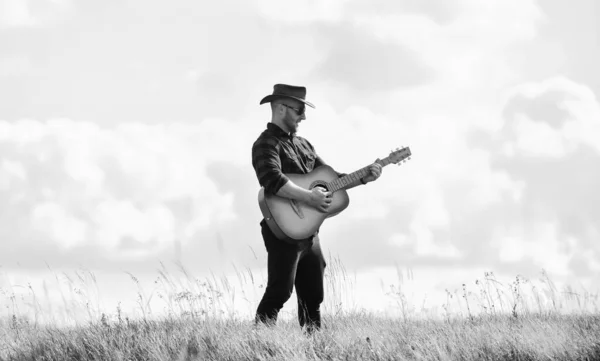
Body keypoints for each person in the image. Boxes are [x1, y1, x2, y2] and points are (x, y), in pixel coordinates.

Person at [251, 84, 382, 332]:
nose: (304, 116)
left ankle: (315, 351)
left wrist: (365, 176)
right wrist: (309, 198)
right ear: (281, 108)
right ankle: (258, 345)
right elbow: (271, 179)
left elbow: (331, 180)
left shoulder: (305, 145)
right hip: (282, 230)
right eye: (299, 109)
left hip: (310, 233)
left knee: (313, 297)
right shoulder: (265, 144)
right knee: (279, 292)